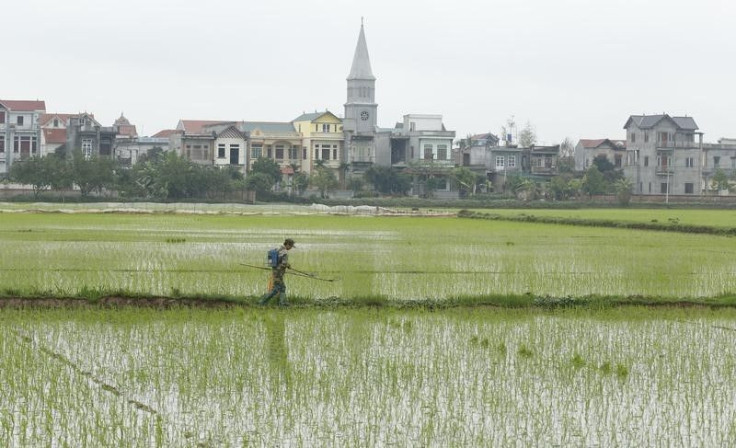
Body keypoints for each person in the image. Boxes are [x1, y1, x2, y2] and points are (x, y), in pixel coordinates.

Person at [259, 238, 295, 306]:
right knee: (277, 289)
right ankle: (262, 302)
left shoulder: (278, 249)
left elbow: (277, 261)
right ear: (287, 244)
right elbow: (283, 263)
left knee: (280, 288)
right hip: (279, 273)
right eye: (290, 246)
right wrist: (288, 265)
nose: (290, 248)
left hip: (275, 271)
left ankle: (282, 302)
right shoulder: (284, 252)